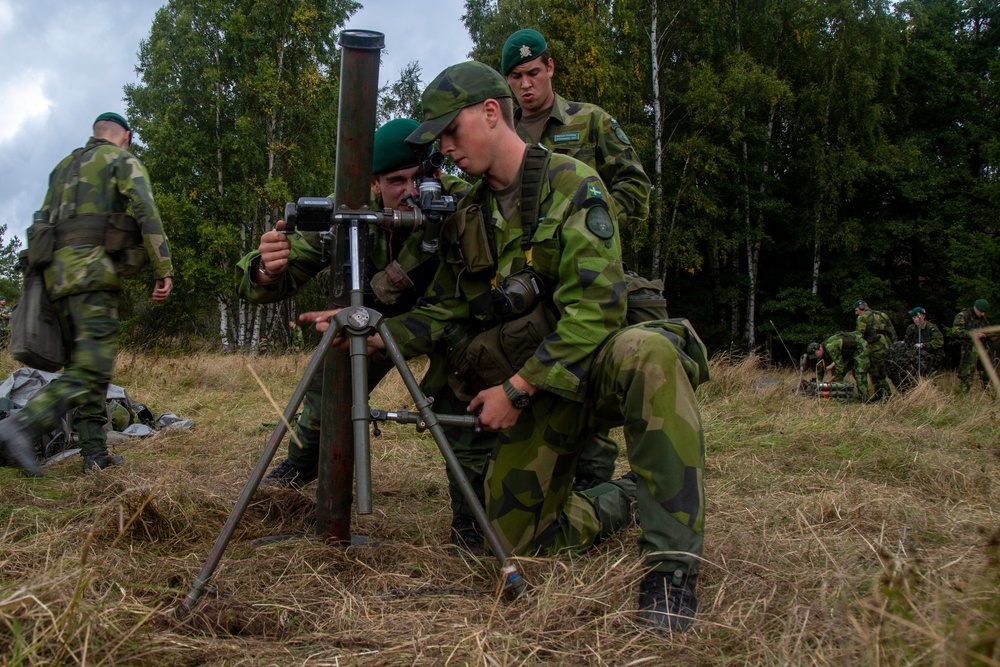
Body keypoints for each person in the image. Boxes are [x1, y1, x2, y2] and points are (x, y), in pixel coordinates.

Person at [303, 61, 708, 633]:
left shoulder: (573, 184)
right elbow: (444, 311)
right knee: (518, 540)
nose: (445, 149)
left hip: (589, 371)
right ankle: (634, 497)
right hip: (544, 391)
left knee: (652, 354)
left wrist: (517, 390)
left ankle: (672, 570)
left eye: (450, 131)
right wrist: (370, 331)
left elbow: (599, 309)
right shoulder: (468, 214)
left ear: (491, 113)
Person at [234, 119, 492, 553]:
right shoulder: (347, 213)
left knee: (460, 403)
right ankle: (299, 467)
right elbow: (280, 273)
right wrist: (265, 266)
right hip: (368, 321)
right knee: (324, 395)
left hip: (443, 325)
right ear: (372, 183)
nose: (412, 191)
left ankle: (469, 519)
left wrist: (389, 333)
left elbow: (461, 304)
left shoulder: (458, 208)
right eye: (397, 181)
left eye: (421, 178)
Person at [501, 27, 655, 490]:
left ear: (550, 68)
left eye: (533, 73)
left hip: (584, 269)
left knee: (584, 365)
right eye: (515, 77)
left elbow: (636, 187)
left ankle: (593, 480)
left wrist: (587, 229)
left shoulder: (589, 122)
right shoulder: (503, 132)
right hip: (522, 277)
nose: (526, 85)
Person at [0, 112, 173, 475]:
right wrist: (162, 268)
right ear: (126, 136)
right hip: (92, 276)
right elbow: (146, 210)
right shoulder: (121, 160)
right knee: (92, 370)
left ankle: (95, 453)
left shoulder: (62, 168)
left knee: (83, 364)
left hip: (54, 282)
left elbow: (42, 220)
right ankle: (19, 427)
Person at [807, 332, 871, 401]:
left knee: (859, 373)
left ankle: (865, 398)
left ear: (818, 349)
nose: (815, 357)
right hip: (848, 352)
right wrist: (818, 381)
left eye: (815, 355)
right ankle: (839, 396)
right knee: (838, 378)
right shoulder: (823, 351)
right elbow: (820, 367)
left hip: (860, 347)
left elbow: (840, 368)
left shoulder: (830, 347)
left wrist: (829, 381)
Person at [853, 299, 896, 400]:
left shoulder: (862, 317)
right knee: (882, 374)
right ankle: (883, 395)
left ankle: (885, 396)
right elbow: (892, 333)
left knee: (876, 375)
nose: (856, 313)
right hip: (887, 348)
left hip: (874, 350)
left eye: (856, 310)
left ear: (861, 308)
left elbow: (859, 336)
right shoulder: (882, 315)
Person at [952, 299, 991, 393]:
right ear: (975, 308)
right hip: (968, 349)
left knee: (988, 371)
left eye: (984, 312)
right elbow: (955, 331)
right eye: (981, 312)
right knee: (967, 375)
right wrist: (973, 335)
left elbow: (987, 329)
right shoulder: (962, 316)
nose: (983, 314)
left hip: (982, 348)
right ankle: (962, 397)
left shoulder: (982, 319)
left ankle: (988, 395)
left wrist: (988, 335)